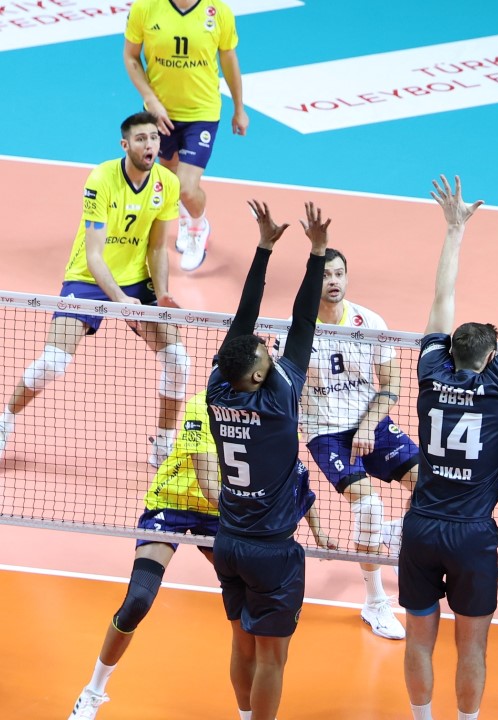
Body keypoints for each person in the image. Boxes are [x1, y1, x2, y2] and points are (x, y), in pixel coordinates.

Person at [67, 390, 336, 720]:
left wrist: (318, 530)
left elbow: (289, 479)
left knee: (249, 615)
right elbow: (209, 483)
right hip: (174, 504)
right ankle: (93, 691)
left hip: (222, 516)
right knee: (138, 599)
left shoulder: (271, 412)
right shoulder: (202, 406)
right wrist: (257, 517)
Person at [398, 176, 498, 720]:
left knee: (418, 640)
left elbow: (441, 298)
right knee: (472, 648)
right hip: (471, 535)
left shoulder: (429, 370)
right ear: (490, 357)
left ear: (450, 353)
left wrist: (454, 228)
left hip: (421, 526)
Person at [0, 111, 188, 469]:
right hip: (88, 278)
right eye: (141, 139)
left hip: (137, 279)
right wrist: (119, 300)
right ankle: (4, 421)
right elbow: (94, 254)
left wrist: (162, 292)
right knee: (53, 362)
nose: (149, 144)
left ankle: (163, 444)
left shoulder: (167, 182)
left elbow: (158, 247)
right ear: (125, 145)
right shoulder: (101, 178)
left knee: (178, 360)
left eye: (154, 138)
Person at [206, 199, 328, 720]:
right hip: (270, 553)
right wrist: (317, 254)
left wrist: (263, 248)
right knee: (272, 659)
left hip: (229, 542)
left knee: (241, 643)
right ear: (257, 375)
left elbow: (244, 322)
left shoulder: (217, 388)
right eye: (264, 355)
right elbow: (304, 322)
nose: (267, 349)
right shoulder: (279, 399)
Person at [280, 246, 418, 641]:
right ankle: (375, 603)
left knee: (429, 486)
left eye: (339, 273)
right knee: (369, 506)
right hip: (324, 430)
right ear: (313, 281)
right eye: (325, 275)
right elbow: (283, 391)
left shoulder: (369, 321)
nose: (334, 281)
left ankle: (391, 533)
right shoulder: (294, 330)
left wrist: (368, 426)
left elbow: (391, 384)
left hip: (370, 421)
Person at [124, 0, 248, 272]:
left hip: (202, 112)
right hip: (160, 112)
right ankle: (184, 220)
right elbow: (131, 56)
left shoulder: (218, 12)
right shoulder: (145, 8)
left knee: (186, 188)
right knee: (170, 177)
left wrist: (239, 108)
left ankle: (198, 226)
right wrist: (150, 100)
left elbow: (228, 58)